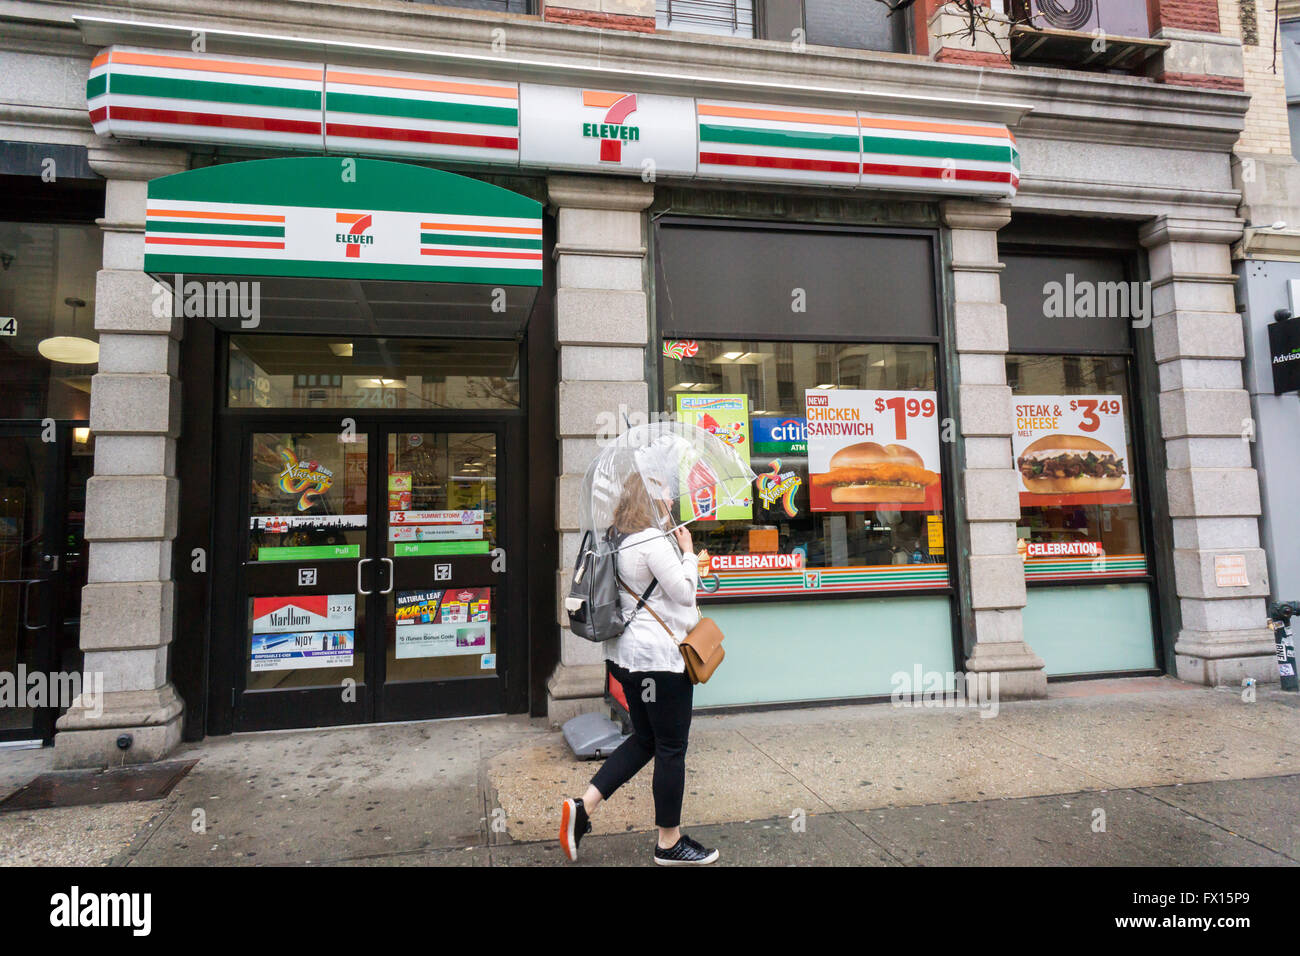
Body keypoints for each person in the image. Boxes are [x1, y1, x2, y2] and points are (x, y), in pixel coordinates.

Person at [559, 476, 718, 865]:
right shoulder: (651, 540)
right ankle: (669, 843)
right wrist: (688, 552)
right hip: (660, 662)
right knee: (671, 747)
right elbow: (683, 592)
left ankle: (583, 807)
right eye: (662, 490)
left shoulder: (617, 537)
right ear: (648, 498)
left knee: (646, 739)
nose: (669, 496)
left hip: (627, 659)